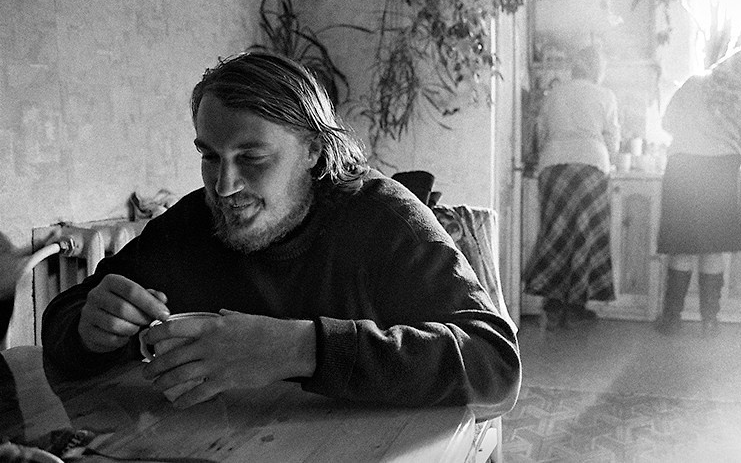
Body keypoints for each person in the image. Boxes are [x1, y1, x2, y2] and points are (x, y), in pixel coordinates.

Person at [41, 52, 521, 421]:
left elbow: (495, 364)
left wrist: (300, 349)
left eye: (251, 158)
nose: (224, 187)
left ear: (313, 150)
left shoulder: (383, 217)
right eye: (209, 156)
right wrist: (87, 329)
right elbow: (66, 321)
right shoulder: (191, 223)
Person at [655, 48, 741, 336]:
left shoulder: (693, 83)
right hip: (721, 173)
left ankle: (671, 320)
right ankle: (709, 322)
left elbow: (667, 122)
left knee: (682, 247)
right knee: (712, 249)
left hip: (684, 169)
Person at [522, 46, 620, 330]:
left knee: (556, 232)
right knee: (586, 236)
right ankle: (577, 305)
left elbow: (540, 132)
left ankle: (552, 302)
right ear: (597, 67)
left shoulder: (555, 94)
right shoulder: (605, 95)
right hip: (591, 167)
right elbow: (612, 140)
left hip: (555, 166)